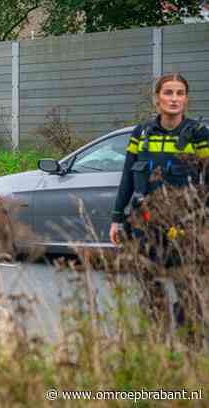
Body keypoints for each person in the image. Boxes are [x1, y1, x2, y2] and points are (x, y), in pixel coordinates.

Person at [109, 73, 209, 332]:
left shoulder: (198, 133)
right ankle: (156, 339)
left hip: (184, 226)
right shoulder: (141, 133)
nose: (174, 99)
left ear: (186, 99)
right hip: (144, 224)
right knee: (148, 285)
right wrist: (117, 218)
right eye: (168, 92)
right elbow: (128, 178)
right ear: (157, 98)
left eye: (179, 93)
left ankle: (187, 342)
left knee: (187, 289)